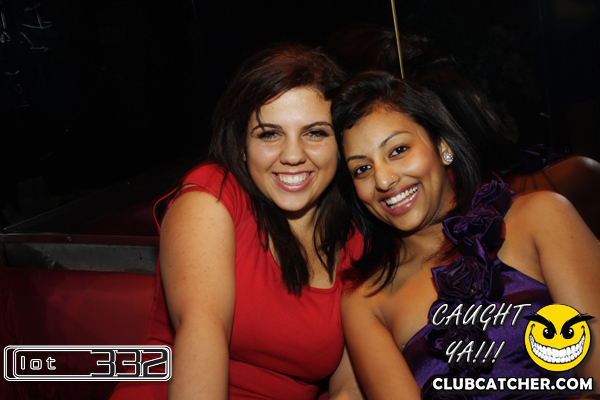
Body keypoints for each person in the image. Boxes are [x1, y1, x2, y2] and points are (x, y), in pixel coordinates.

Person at [110, 43, 363, 399]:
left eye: (315, 133)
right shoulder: (212, 197)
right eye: (270, 134)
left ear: (342, 144)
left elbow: (349, 385)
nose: (293, 155)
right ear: (242, 146)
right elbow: (202, 332)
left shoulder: (357, 238)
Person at [331, 71, 600, 399]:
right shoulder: (366, 301)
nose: (383, 180)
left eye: (398, 150)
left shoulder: (540, 217)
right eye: (362, 168)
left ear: (443, 147)